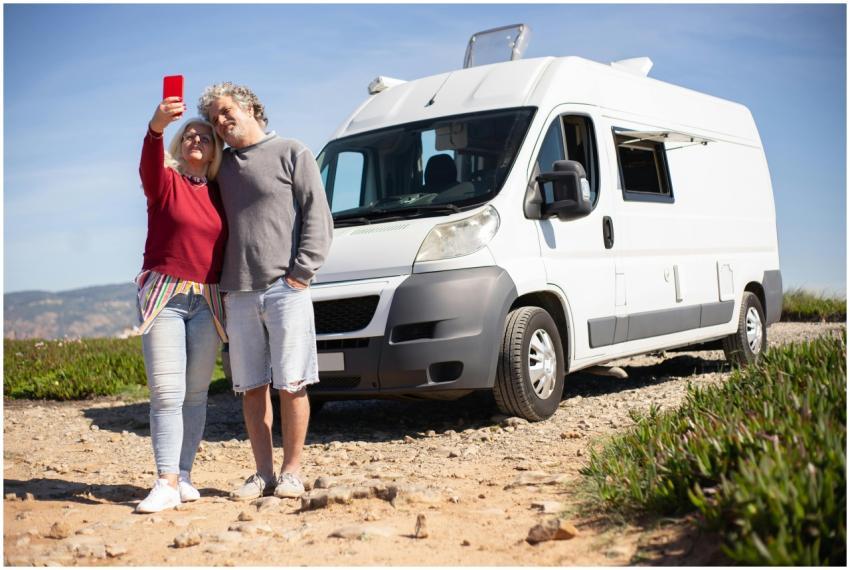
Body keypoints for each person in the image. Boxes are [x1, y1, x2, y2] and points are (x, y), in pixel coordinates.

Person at [198, 82, 333, 500]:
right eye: (214, 119)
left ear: (249, 106)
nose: (220, 122)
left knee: (292, 383)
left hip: (285, 288)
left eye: (225, 112)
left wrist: (301, 273)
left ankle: (292, 472)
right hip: (237, 292)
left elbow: (318, 216)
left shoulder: (293, 151)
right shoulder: (222, 167)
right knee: (252, 387)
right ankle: (263, 473)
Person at [135, 97, 228, 513]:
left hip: (208, 299)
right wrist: (156, 128)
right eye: (189, 135)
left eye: (205, 137)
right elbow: (149, 164)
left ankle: (184, 475)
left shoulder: (221, 193)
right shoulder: (165, 182)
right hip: (166, 296)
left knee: (195, 394)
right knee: (167, 392)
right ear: (179, 145)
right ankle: (165, 480)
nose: (196, 139)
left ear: (214, 150)